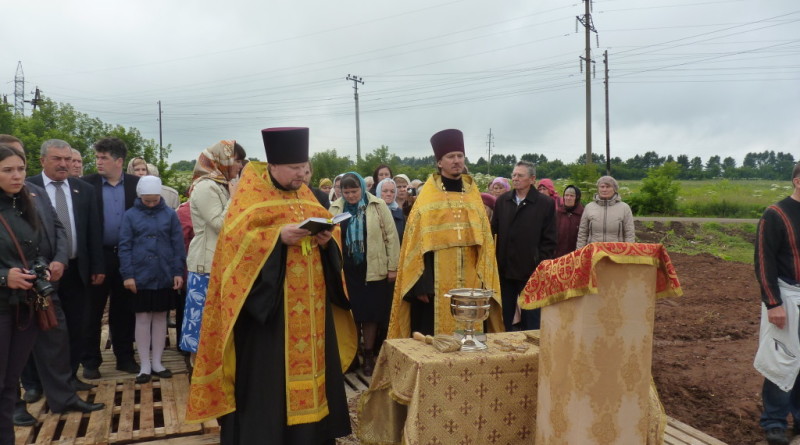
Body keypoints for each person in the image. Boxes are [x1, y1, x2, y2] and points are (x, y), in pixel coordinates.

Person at [186, 127, 356, 444]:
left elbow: (328, 242)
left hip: (312, 316)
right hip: (270, 318)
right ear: (273, 166)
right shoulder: (250, 196)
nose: (302, 174)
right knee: (269, 386)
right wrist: (278, 238)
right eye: (294, 168)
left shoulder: (306, 195)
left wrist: (325, 241)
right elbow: (234, 245)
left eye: (304, 167)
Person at [387, 129, 502, 339]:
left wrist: (485, 279)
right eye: (450, 157)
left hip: (471, 280)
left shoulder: (473, 196)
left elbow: (484, 243)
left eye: (460, 156)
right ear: (440, 162)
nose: (456, 161)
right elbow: (417, 246)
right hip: (434, 285)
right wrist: (422, 285)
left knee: (471, 335)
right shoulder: (428, 199)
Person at [20, 139, 104, 406]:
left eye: (68, 159)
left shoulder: (84, 189)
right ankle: (33, 384)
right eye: (57, 159)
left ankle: (67, 378)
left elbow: (93, 231)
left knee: (75, 326)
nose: (64, 164)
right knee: (39, 329)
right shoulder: (27, 188)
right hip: (39, 275)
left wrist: (97, 266)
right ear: (43, 160)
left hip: (75, 268)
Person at [81, 137, 142, 378]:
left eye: (103, 158)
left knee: (125, 309)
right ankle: (90, 361)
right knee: (92, 310)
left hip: (128, 257)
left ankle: (125, 357)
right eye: (96, 157)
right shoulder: (85, 185)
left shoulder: (137, 185)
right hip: (99, 256)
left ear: (119, 161)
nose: (98, 162)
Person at [180, 140, 245, 361]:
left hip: (220, 260)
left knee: (218, 322)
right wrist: (235, 197)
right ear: (222, 160)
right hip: (206, 263)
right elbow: (219, 223)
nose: (240, 166)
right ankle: (198, 371)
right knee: (202, 323)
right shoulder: (205, 186)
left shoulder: (220, 183)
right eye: (237, 160)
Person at [330, 173, 400, 376]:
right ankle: (352, 353)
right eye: (347, 192)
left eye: (354, 191)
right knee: (351, 313)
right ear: (341, 191)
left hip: (372, 268)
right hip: (346, 270)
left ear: (362, 188)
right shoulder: (335, 208)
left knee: (370, 314)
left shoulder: (378, 206)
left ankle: (368, 354)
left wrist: (392, 267)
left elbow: (391, 237)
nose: (351, 196)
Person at [119, 176, 185, 384]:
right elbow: (125, 246)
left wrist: (177, 272)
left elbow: (178, 244)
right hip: (140, 275)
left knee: (160, 318)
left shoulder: (169, 215)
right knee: (142, 318)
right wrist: (128, 275)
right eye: (146, 200)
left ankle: (157, 362)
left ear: (160, 197)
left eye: (154, 200)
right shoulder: (130, 216)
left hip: (163, 273)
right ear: (140, 197)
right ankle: (144, 364)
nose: (150, 204)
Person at [753, 163, 800, 445]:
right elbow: (763, 260)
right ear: (798, 181)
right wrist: (773, 304)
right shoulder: (776, 214)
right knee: (781, 359)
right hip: (786, 295)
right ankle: (775, 421)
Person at [0, 144, 42, 442]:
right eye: (7, 170)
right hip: (2, 308)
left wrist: (41, 268)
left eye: (20, 169)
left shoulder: (22, 204)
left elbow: (32, 250)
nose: (17, 176)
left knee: (9, 385)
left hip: (23, 309)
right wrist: (4, 277)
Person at [491, 160, 557, 331]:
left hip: (531, 271)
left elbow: (549, 239)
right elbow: (493, 232)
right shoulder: (503, 201)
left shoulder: (545, 204)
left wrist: (539, 263)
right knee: (504, 315)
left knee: (531, 317)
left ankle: (533, 354)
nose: (515, 178)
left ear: (532, 179)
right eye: (513, 175)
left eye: (520, 175)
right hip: (505, 269)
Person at [576, 176, 635, 248]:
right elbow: (583, 233)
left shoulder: (624, 208)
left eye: (608, 187)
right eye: (602, 187)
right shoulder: (589, 207)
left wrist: (628, 252)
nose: (604, 189)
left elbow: (629, 234)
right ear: (598, 189)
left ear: (614, 189)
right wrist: (580, 252)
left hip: (616, 252)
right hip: (594, 251)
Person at [555, 185, 584, 257]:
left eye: (572, 196)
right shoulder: (557, 212)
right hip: (557, 255)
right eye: (566, 195)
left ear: (577, 198)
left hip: (576, 255)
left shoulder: (583, 214)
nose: (568, 198)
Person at [376, 178, 405, 244]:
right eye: (385, 191)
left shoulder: (399, 213)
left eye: (392, 191)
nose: (389, 194)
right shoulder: (372, 212)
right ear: (379, 191)